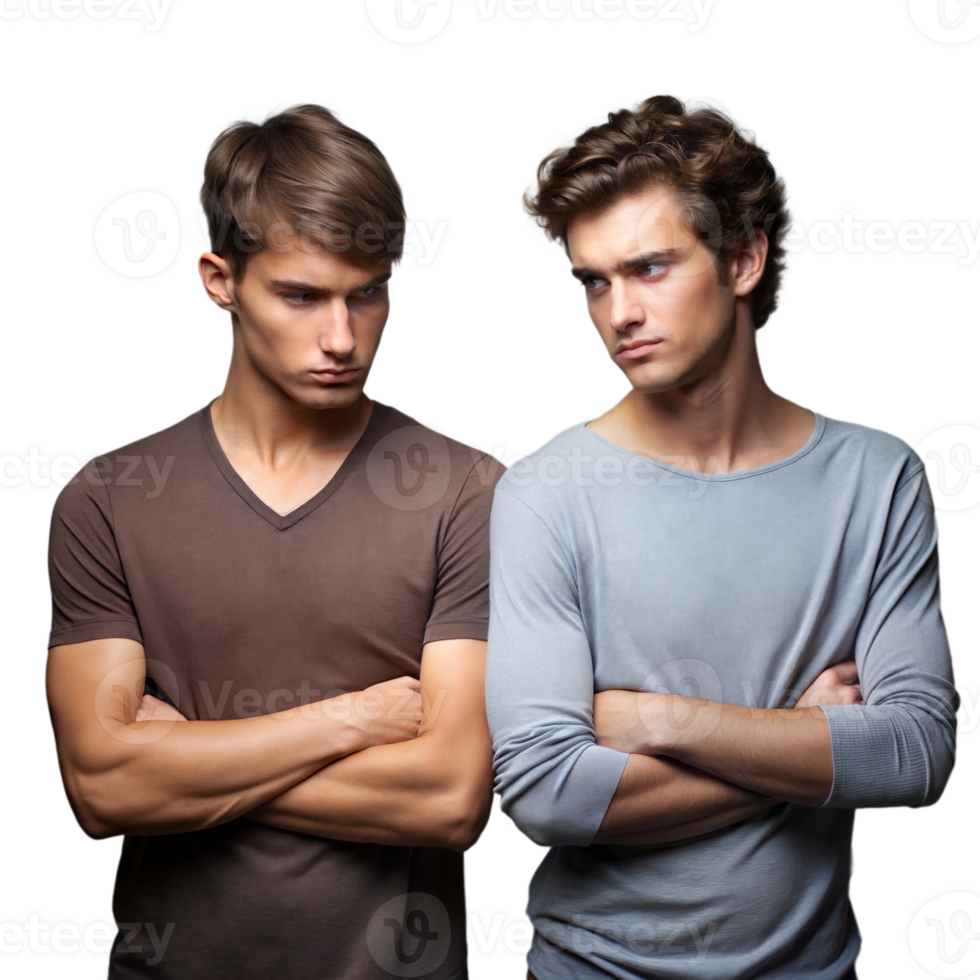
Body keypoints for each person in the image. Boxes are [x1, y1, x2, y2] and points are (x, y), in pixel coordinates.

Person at [485, 92, 958, 980]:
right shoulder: (547, 490)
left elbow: (916, 754)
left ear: (743, 259)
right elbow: (547, 795)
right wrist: (799, 739)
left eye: (650, 268)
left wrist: (660, 721)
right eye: (593, 280)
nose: (618, 311)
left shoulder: (877, 476)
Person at [44, 98, 502, 979]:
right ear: (219, 279)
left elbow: (450, 796)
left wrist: (181, 763)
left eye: (369, 293)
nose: (343, 337)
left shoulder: (466, 491)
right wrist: (353, 721)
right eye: (301, 296)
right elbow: (101, 791)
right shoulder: (108, 499)